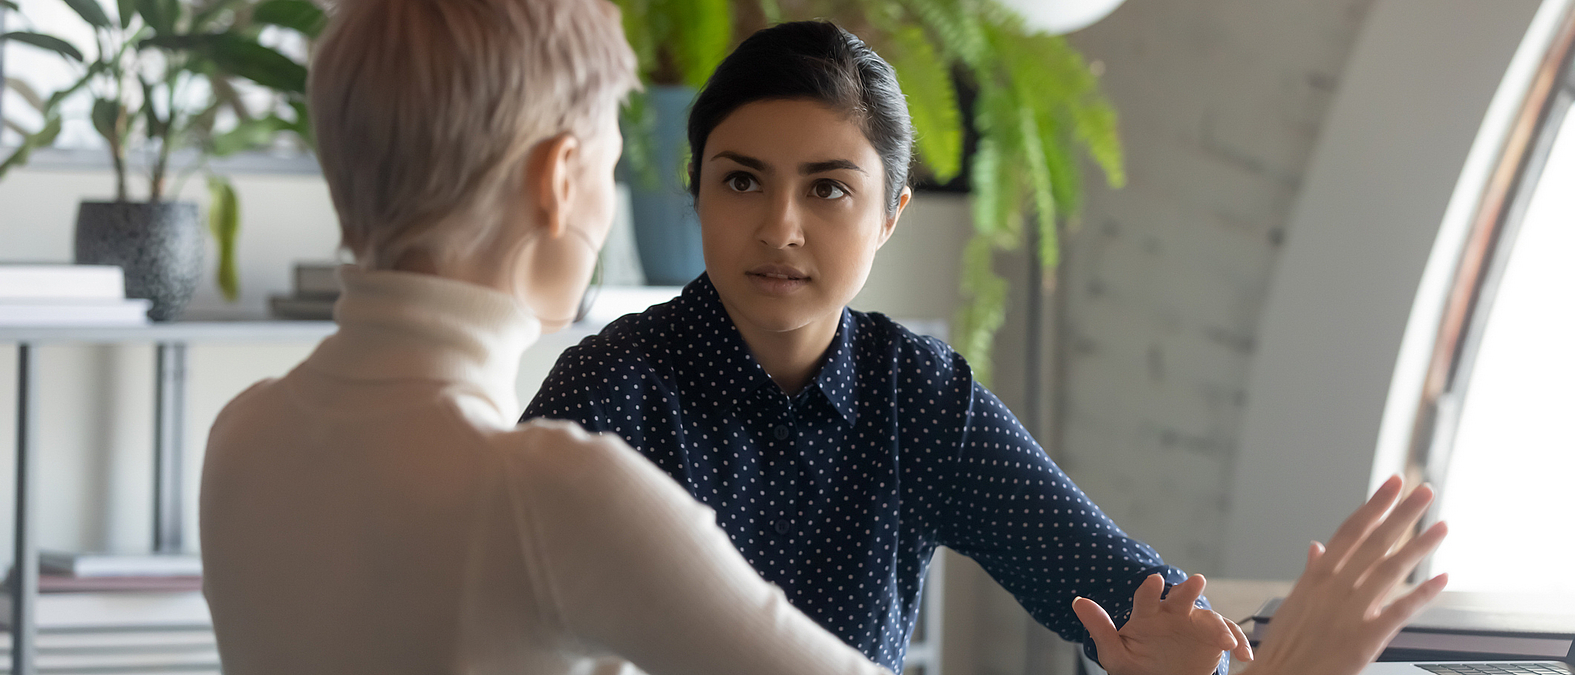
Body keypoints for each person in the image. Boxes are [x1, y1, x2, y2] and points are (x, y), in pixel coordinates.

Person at [199, 2, 1446, 674]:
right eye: (738, 181)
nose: (779, 227)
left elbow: (1123, 595)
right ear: (563, 178)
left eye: (831, 190)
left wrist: (1223, 660)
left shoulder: (242, 437)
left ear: (892, 212)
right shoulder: (574, 452)